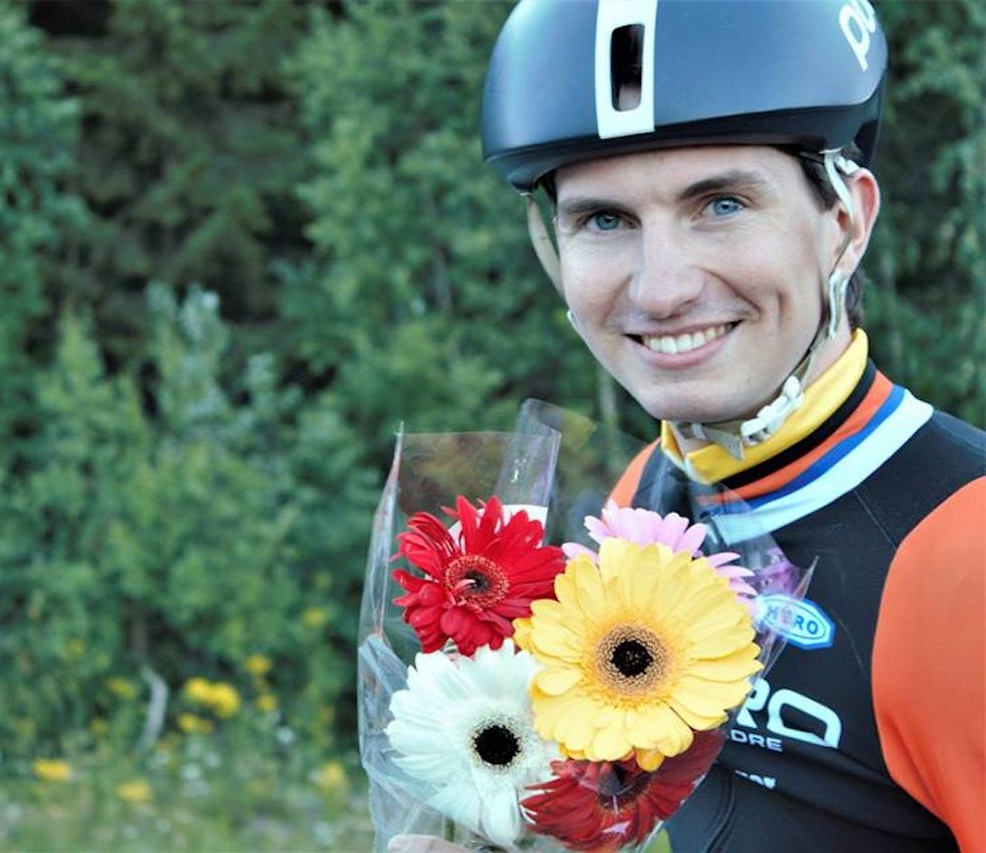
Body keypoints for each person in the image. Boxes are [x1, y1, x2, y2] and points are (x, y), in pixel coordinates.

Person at [389, 0, 984, 850]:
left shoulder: (967, 553)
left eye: (722, 204)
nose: (661, 288)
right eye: (604, 220)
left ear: (846, 219)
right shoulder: (647, 497)